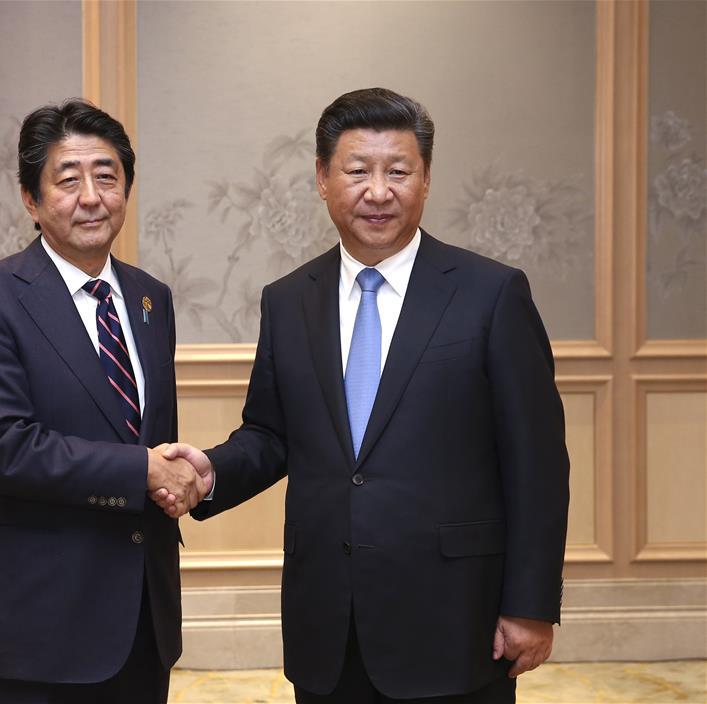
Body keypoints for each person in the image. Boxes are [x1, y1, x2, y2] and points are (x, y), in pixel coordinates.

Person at [158, 88, 570, 703]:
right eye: (357, 171)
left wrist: (532, 605)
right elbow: (271, 434)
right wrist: (209, 472)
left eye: (398, 171)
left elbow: (537, 464)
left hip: (456, 621)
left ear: (426, 178)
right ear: (323, 179)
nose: (378, 191)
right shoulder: (290, 299)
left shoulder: (491, 295)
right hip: (329, 624)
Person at [0, 99, 209, 703]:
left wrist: (177, 475)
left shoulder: (150, 298)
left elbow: (142, 430)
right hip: (41, 630)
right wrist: (144, 470)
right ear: (32, 200)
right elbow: (6, 449)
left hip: (144, 619)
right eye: (68, 179)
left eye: (107, 176)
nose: (91, 196)